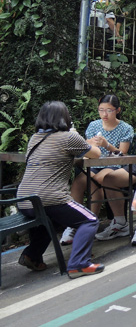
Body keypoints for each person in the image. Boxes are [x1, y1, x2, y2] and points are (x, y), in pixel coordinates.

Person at [17, 102, 105, 279]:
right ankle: (79, 263)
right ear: (65, 118)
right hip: (49, 198)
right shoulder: (68, 137)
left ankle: (31, 255)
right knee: (90, 220)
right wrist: (81, 138)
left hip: (24, 199)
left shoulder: (35, 138)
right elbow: (96, 153)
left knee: (52, 219)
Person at [61, 94, 133, 245]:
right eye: (101, 110)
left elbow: (122, 155)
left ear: (118, 110)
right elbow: (85, 145)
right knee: (78, 182)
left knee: (102, 179)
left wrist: (107, 145)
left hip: (114, 165)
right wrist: (90, 143)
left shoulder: (126, 128)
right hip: (93, 164)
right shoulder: (94, 126)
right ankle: (74, 223)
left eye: (109, 110)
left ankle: (94, 223)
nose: (104, 114)